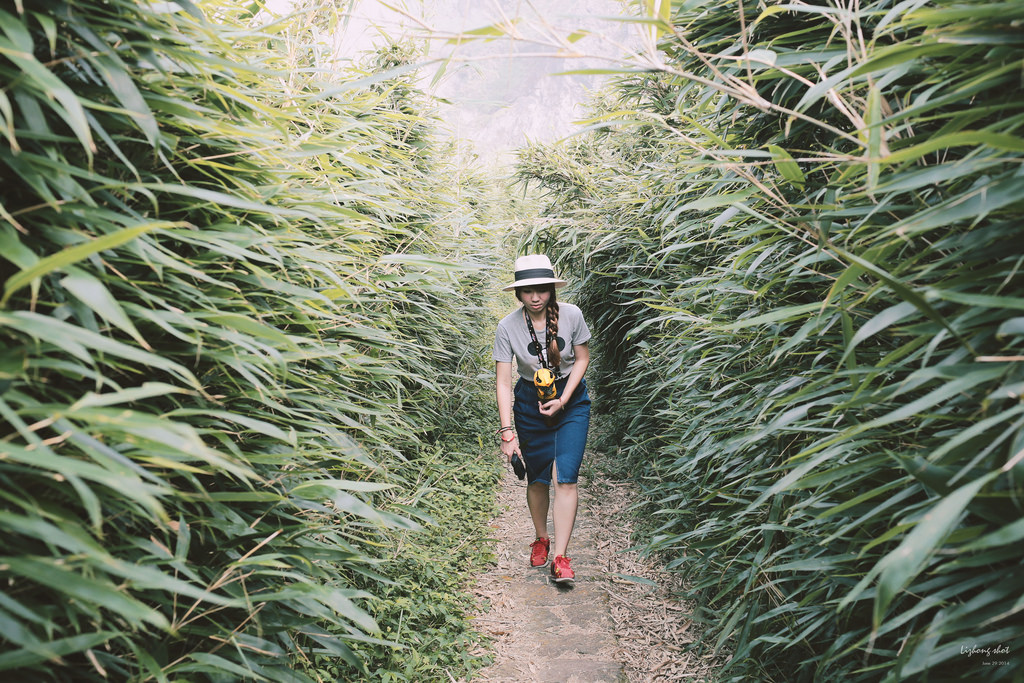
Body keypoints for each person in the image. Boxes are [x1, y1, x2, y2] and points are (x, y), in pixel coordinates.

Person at [493, 254, 592, 585]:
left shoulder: (572, 315)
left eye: (542, 290)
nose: (535, 297)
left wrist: (563, 400)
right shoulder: (507, 327)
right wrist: (507, 432)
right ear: (518, 293)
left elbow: (582, 359)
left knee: (566, 477)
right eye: (527, 291)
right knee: (537, 478)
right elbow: (503, 382)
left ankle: (561, 558)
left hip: (571, 401)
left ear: (552, 289)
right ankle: (541, 538)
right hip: (529, 403)